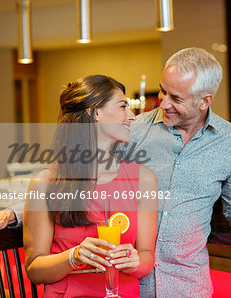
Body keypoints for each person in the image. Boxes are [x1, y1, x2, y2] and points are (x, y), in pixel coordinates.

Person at [116, 47, 231, 297]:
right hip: (130, 287)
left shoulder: (229, 139)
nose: (163, 102)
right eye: (163, 90)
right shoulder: (133, 131)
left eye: (176, 98)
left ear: (204, 101)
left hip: (189, 286)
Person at [23, 75, 158, 297]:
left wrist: (134, 261)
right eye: (123, 106)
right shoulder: (45, 183)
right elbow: (35, 270)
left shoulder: (143, 179)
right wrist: (73, 257)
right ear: (95, 113)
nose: (132, 117)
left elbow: (146, 257)